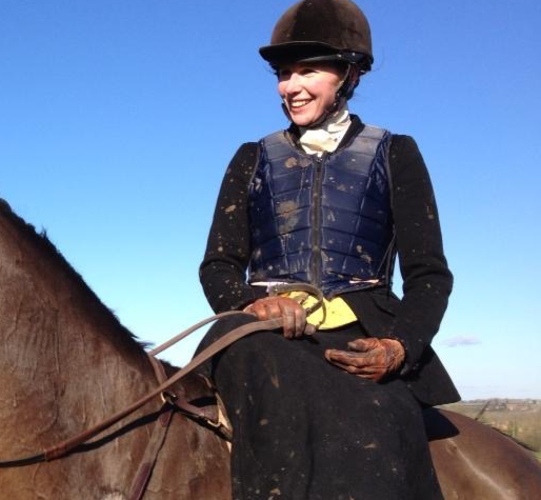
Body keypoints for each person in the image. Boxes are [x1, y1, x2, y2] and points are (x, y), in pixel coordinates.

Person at [196, 0, 459, 498]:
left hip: (364, 332)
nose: (289, 87)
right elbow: (218, 265)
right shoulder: (251, 158)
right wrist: (252, 305)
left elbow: (428, 275)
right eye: (283, 73)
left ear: (350, 74)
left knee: (381, 431)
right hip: (262, 333)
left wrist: (400, 346)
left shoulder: (395, 152)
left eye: (307, 71)